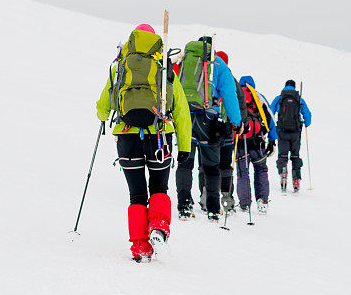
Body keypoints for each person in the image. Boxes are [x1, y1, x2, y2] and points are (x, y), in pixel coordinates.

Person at [96, 24, 192, 262]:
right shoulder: (163, 68)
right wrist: (185, 146)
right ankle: (158, 226)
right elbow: (181, 109)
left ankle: (140, 247)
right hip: (159, 136)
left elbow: (103, 104)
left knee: (136, 195)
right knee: (159, 188)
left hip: (127, 137)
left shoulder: (120, 67)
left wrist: (102, 116)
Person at [174, 37, 242, 221]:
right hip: (208, 119)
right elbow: (229, 94)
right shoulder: (217, 63)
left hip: (184, 116)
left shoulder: (183, 58)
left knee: (185, 163)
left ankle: (184, 205)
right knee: (212, 167)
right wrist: (237, 121)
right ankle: (212, 209)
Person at [198, 50, 248, 214]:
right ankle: (227, 198)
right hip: (227, 130)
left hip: (207, 129)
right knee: (226, 166)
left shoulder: (203, 78)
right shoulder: (230, 80)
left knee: (206, 165)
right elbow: (240, 103)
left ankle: (205, 197)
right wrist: (241, 123)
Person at [236, 76, 278, 213]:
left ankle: (245, 203)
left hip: (241, 142)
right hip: (258, 142)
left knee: (243, 173)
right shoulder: (259, 97)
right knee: (261, 170)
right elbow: (271, 119)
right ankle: (262, 201)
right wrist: (272, 140)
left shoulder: (236, 96)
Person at [270, 79, 312, 193]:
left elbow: (270, 111)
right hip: (295, 132)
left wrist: (271, 126)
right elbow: (307, 115)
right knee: (295, 156)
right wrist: (306, 123)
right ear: (294, 87)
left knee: (283, 155)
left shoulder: (279, 98)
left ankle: (283, 172)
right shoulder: (299, 98)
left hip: (282, 131)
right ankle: (296, 179)